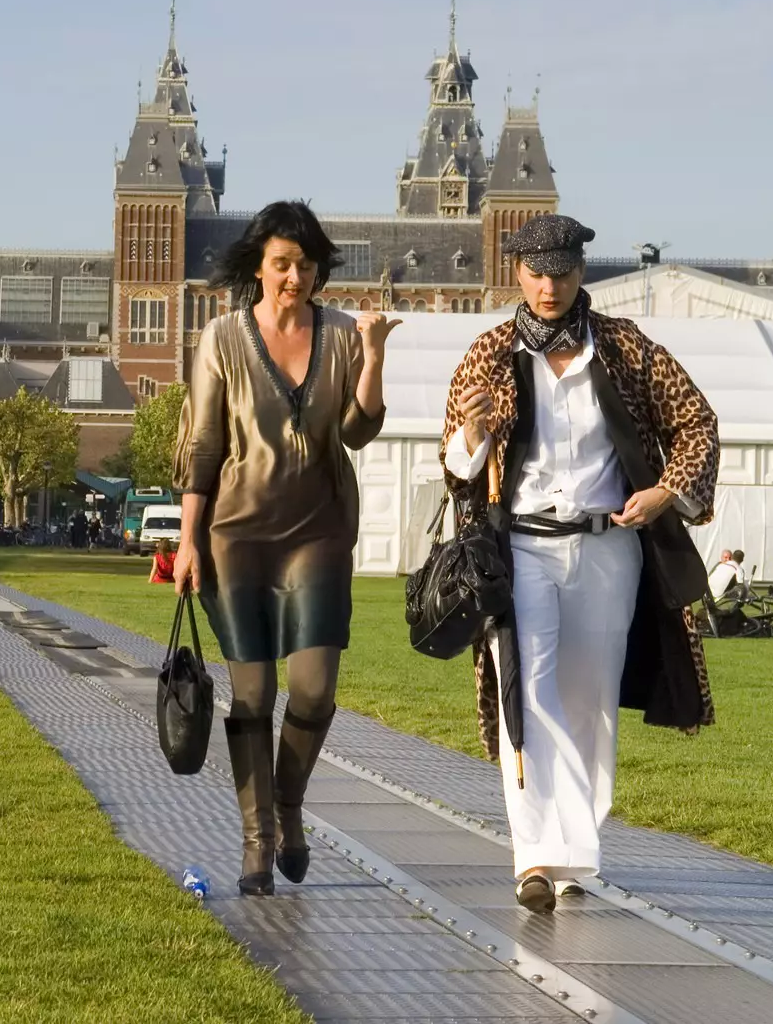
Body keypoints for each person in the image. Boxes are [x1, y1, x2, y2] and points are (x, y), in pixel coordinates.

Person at [441, 214, 719, 915]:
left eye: (561, 273)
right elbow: (456, 464)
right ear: (518, 273)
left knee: (592, 702)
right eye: (536, 273)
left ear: (580, 272)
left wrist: (666, 490)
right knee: (527, 692)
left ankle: (574, 856)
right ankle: (534, 854)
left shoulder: (626, 350)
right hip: (523, 548)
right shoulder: (489, 352)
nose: (548, 286)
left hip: (608, 549)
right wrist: (472, 432)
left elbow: (698, 423)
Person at [173, 200, 395, 897]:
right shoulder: (221, 338)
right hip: (237, 534)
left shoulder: (343, 334)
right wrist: (187, 540)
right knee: (253, 691)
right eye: (281, 264)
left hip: (319, 527)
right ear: (260, 268)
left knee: (314, 687)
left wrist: (376, 352)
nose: (293, 276)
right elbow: (204, 444)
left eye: (304, 264)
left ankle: (291, 804)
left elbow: (359, 432)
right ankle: (257, 836)